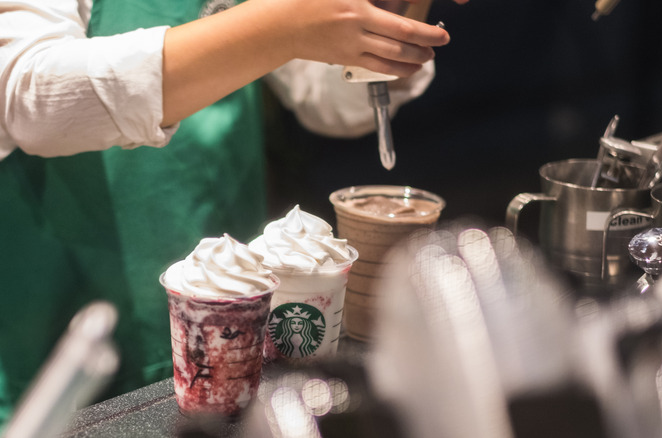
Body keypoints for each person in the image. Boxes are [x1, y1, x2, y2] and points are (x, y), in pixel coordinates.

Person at [0, 0, 468, 424]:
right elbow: (30, 93)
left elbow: (328, 98)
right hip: (60, 318)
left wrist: (393, 13)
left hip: (236, 305)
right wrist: (281, 25)